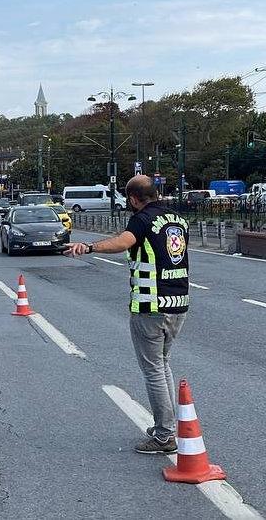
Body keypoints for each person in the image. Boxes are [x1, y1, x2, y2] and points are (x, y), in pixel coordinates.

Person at [65, 175, 189, 455]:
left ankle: (164, 436)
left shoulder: (141, 220)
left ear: (133, 199)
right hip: (179, 302)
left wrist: (89, 247)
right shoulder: (177, 220)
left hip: (150, 305)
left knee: (154, 369)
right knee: (163, 364)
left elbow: (123, 242)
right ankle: (165, 427)